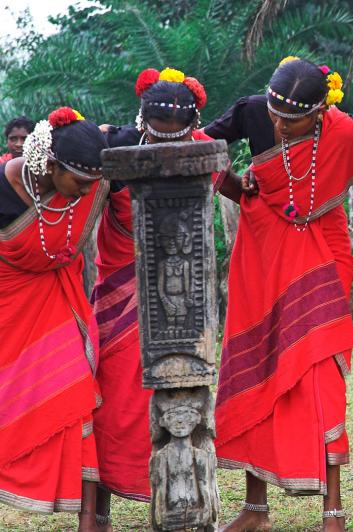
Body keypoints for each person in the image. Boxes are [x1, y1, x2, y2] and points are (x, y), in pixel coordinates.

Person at [204, 56, 353, 532]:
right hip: (261, 250)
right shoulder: (252, 110)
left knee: (320, 373)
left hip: (323, 249)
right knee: (257, 365)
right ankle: (255, 509)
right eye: (275, 115)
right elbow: (199, 144)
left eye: (290, 121)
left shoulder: (346, 133)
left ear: (319, 113)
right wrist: (236, 188)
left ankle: (333, 512)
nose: (278, 126)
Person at [90, 66, 213, 530]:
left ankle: (183, 507)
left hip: (182, 303)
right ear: (141, 121)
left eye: (176, 135)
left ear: (193, 124)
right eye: (157, 134)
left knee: (182, 403)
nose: (167, 143)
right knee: (110, 403)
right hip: (120, 297)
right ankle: (97, 510)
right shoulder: (114, 150)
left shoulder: (204, 152)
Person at [0, 107, 109, 531]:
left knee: (75, 395)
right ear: (49, 166)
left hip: (59, 306)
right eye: (79, 181)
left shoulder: (86, 182)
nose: (86, 191)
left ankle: (88, 521)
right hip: (9, 312)